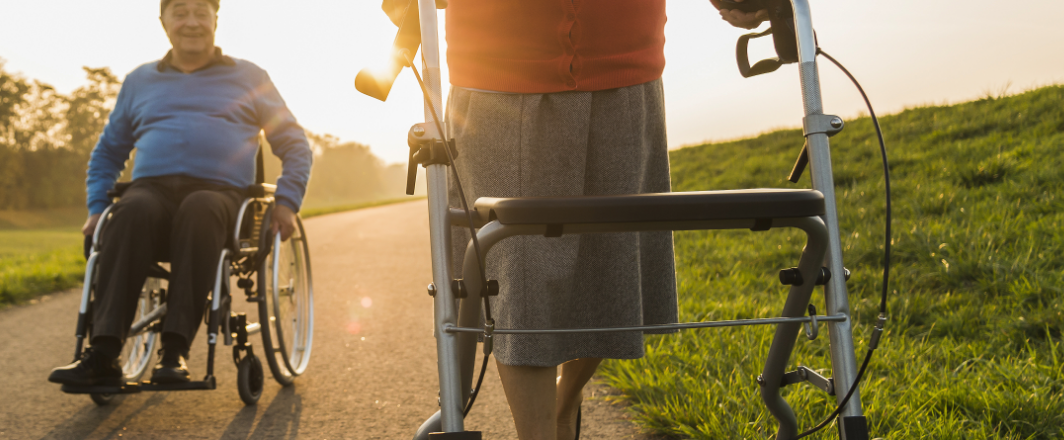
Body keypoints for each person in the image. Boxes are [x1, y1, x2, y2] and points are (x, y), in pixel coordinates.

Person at [393, 0, 775, 437]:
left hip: (626, 70)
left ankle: (566, 396)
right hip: (499, 77)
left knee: (609, 272)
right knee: (522, 281)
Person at [46, 0, 314, 392]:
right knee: (130, 210)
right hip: (151, 192)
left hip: (219, 195)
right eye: (181, 12)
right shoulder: (140, 81)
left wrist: (287, 202)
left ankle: (174, 352)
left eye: (201, 12)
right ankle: (102, 355)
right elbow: (107, 153)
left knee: (199, 208)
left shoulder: (249, 77)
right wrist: (96, 208)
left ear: (216, 20)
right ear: (164, 21)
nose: (192, 22)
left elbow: (294, 144)